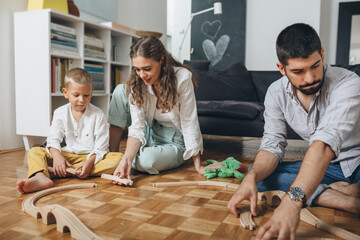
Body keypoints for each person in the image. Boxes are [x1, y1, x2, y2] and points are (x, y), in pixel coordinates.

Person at [227, 23, 360, 239]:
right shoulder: (275, 93)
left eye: (315, 66)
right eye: (298, 71)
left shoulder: (348, 83)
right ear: (281, 68)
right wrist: (250, 178)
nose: (309, 78)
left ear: (322, 54)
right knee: (256, 174)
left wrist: (292, 201)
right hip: (330, 168)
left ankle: (323, 188)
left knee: (281, 182)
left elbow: (324, 145)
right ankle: (349, 199)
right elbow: (272, 146)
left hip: (355, 160)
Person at [108, 36, 218, 183]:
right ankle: (113, 156)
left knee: (146, 162)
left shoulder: (182, 79)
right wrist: (126, 159)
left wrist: (198, 165)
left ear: (161, 60)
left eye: (147, 69)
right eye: (137, 69)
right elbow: (137, 127)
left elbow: (189, 121)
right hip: (149, 129)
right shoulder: (138, 82)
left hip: (173, 139)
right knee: (121, 90)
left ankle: (128, 158)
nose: (142, 75)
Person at [17, 68, 123, 194]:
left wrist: (89, 163)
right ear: (65, 92)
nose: (81, 100)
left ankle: (58, 171)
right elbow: (53, 139)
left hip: (90, 158)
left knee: (119, 158)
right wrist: (57, 157)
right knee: (34, 151)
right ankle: (41, 177)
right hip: (66, 157)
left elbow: (101, 148)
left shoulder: (98, 115)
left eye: (86, 95)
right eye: (76, 95)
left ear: (91, 92)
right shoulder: (60, 113)